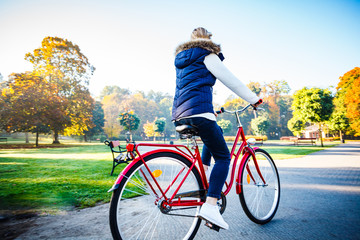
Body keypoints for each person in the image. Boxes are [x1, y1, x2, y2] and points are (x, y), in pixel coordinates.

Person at [172, 27, 262, 230]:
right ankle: (211, 206)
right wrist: (254, 99)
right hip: (200, 113)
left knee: (215, 133)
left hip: (179, 114)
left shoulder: (181, 59)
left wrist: (211, 111)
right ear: (208, 39)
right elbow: (232, 81)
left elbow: (190, 89)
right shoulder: (208, 54)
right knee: (223, 157)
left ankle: (202, 174)